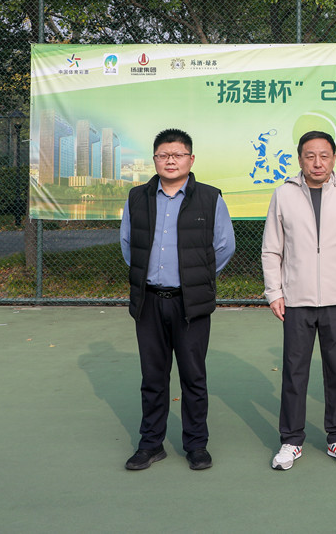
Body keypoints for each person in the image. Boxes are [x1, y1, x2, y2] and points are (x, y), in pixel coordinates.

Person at [120, 128, 235, 471]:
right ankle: (150, 444)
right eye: (163, 155)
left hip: (190, 304)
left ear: (191, 159)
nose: (170, 160)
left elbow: (224, 246)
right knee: (153, 378)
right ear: (155, 160)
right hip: (149, 302)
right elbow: (128, 244)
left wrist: (197, 279)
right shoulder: (137, 197)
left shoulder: (210, 198)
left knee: (193, 377)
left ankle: (196, 445)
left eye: (178, 154)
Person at [262, 130, 336, 470]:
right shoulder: (283, 194)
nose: (317, 162)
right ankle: (291, 440)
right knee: (294, 373)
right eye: (310, 156)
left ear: (334, 158)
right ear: (300, 159)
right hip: (296, 299)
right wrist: (274, 292)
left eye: (324, 155)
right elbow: (271, 248)